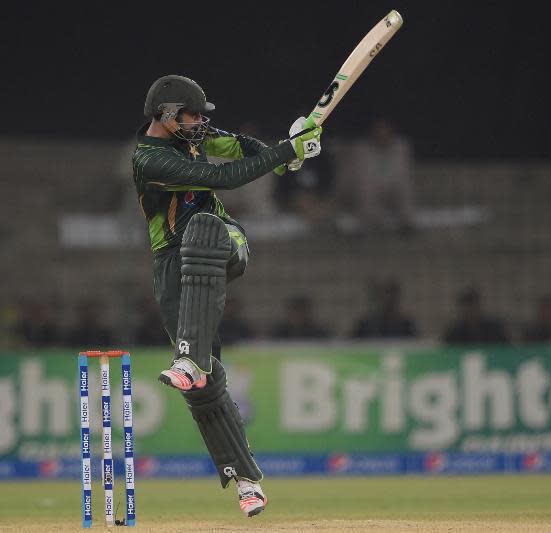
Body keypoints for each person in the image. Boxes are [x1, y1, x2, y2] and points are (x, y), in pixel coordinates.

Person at [131, 74, 323, 518]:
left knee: (203, 227)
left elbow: (240, 149)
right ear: (166, 116)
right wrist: (286, 153)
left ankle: (188, 358)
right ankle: (247, 481)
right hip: (171, 266)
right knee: (204, 387)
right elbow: (231, 177)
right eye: (193, 114)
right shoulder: (150, 160)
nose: (201, 122)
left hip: (225, 243)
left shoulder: (196, 136)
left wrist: (285, 152)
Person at [351, 278, 417, 339]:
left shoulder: (405, 325)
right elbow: (350, 345)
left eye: (390, 298)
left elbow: (416, 346)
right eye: (382, 297)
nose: (386, 301)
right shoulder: (365, 325)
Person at [443, 287, 509, 345]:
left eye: (473, 305)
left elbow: (506, 349)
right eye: (467, 306)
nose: (470, 310)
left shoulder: (495, 329)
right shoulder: (454, 333)